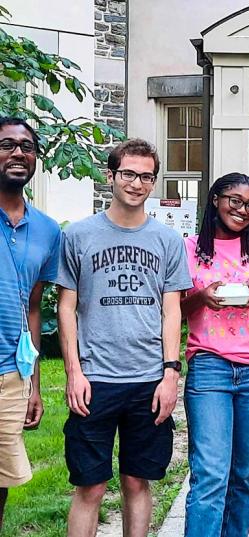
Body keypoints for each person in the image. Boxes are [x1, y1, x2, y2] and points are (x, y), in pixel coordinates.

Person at [57, 139, 192, 537]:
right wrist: (73, 373)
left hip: (147, 380)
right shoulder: (79, 236)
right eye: (128, 174)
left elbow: (172, 311)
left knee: (137, 480)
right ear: (111, 175)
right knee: (91, 486)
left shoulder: (167, 241)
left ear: (153, 181)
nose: (136, 183)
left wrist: (170, 374)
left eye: (146, 176)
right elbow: (67, 307)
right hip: (95, 380)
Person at [181, 173, 249, 537]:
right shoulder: (190, 248)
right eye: (234, 201)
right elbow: (175, 309)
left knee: (245, 475)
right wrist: (201, 296)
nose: (242, 210)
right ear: (216, 200)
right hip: (210, 366)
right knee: (210, 474)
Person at [0, 118, 61, 531]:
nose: (18, 153)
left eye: (27, 146)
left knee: (1, 479)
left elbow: (34, 308)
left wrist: (34, 383)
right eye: (7, 145)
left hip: (9, 372)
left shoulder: (48, 230)